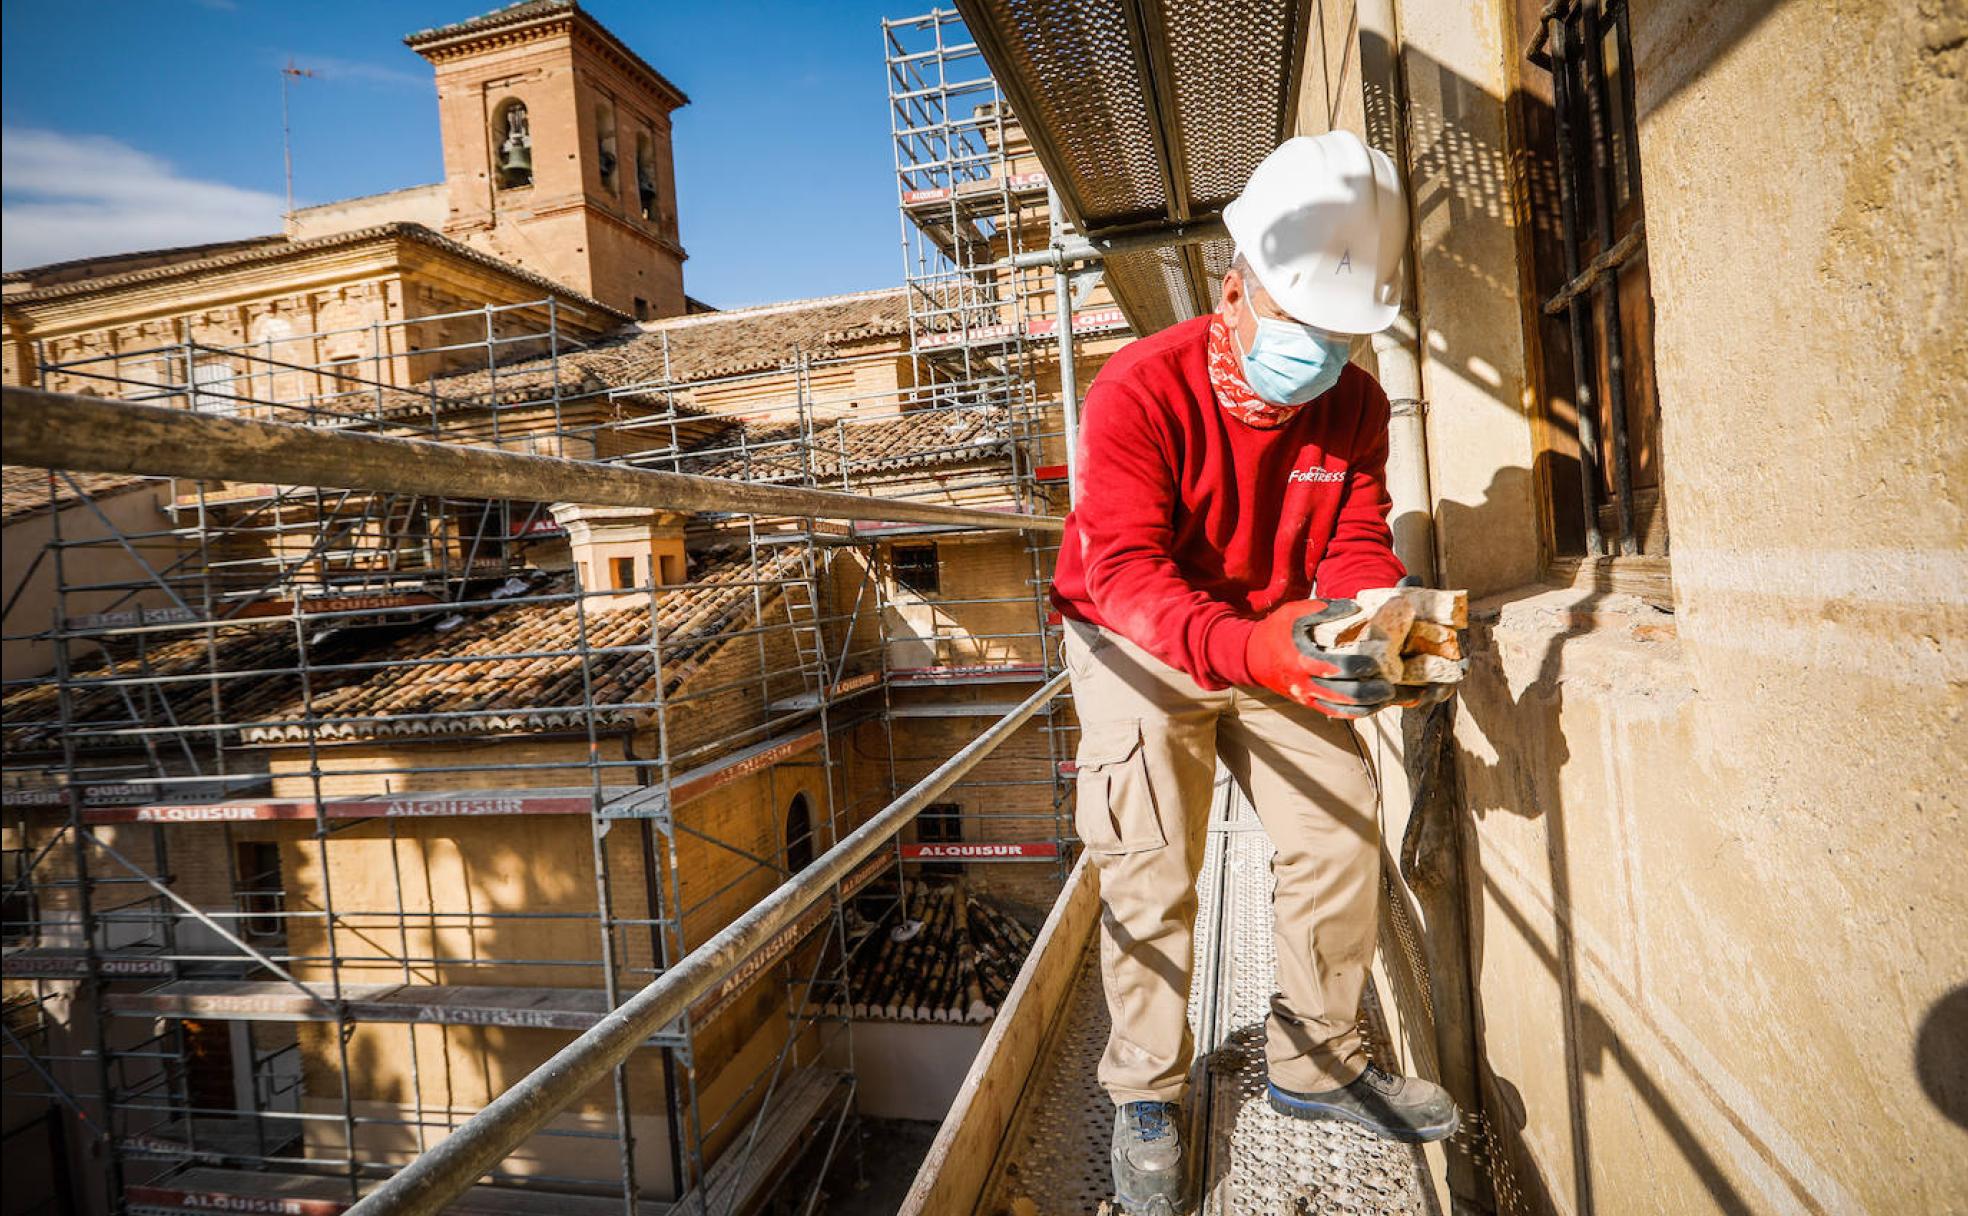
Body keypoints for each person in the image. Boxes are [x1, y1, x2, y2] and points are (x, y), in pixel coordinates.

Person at [1050, 130, 1459, 1215]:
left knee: (1339, 820)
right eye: (1299, 328)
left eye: (1340, 336)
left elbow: (1355, 534)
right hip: (1131, 631)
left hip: (1273, 628)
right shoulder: (1138, 390)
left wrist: (1374, 621)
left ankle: (1313, 1060)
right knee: (1150, 856)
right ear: (1232, 293)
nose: (1318, 357)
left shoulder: (1356, 405)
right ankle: (1146, 1091)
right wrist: (1252, 648)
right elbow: (1128, 570)